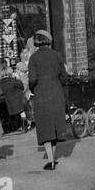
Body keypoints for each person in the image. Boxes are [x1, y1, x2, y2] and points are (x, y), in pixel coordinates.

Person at [27, 29, 68, 170]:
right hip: (56, 91)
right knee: (55, 124)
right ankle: (53, 158)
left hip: (41, 93)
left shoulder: (33, 58)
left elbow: (32, 79)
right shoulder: (56, 55)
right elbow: (64, 76)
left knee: (45, 126)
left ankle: (50, 160)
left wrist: (33, 88)